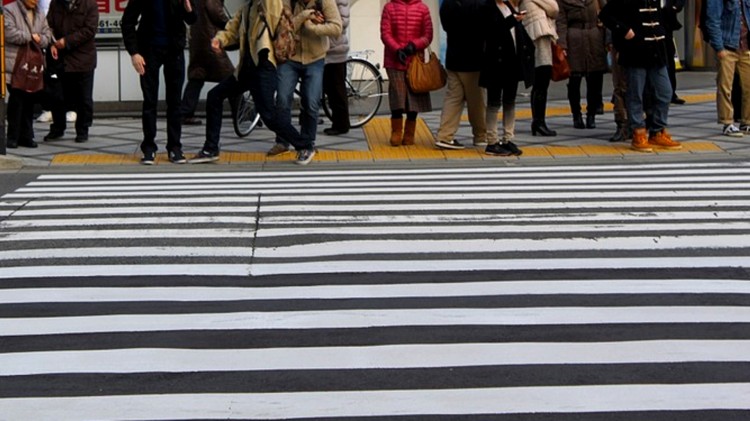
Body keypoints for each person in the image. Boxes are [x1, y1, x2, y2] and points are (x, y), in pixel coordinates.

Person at [189, 0, 318, 165]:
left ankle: (305, 145)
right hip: (246, 69)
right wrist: (220, 40)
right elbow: (231, 29)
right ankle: (211, 148)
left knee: (269, 115)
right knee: (214, 96)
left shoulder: (269, 3)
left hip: (264, 67)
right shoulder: (246, 9)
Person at [599, 0, 682, 152]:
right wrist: (625, 31)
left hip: (657, 50)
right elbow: (606, 15)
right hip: (636, 50)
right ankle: (638, 131)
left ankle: (657, 130)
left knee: (665, 92)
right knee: (635, 93)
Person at [121, 0, 197, 165]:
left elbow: (192, 19)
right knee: (150, 101)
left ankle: (175, 147)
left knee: (175, 102)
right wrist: (134, 53)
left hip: (174, 50)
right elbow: (127, 21)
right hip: (148, 51)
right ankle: (149, 147)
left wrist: (189, 9)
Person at [266, 0, 342, 157]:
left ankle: (308, 143)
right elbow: (283, 27)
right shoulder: (288, 2)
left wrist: (313, 28)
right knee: (282, 99)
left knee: (311, 102)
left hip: (315, 58)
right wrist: (304, 15)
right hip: (290, 58)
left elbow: (337, 27)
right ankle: (282, 141)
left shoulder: (324, 1)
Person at [480, 0, 534, 156]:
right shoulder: (487, 7)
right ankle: (492, 141)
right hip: (495, 63)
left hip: (512, 62)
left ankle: (508, 138)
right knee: (494, 102)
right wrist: (513, 20)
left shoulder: (508, 6)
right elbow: (491, 31)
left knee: (510, 101)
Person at [43, 0, 98, 143]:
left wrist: (67, 41)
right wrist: (52, 44)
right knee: (57, 96)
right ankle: (58, 128)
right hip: (60, 59)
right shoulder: (56, 3)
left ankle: (82, 130)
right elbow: (48, 26)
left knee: (83, 98)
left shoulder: (89, 4)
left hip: (83, 59)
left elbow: (89, 30)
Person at [434, 0, 487, 150]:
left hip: (453, 59)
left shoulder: (447, 4)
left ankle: (445, 135)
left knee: (453, 98)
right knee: (477, 101)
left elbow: (445, 27)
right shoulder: (478, 4)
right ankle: (481, 135)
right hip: (473, 60)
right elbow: (485, 27)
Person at [380, 0, 433, 147]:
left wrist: (413, 46)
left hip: (415, 60)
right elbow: (385, 34)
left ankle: (409, 133)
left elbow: (428, 35)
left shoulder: (423, 8)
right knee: (398, 94)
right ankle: (396, 131)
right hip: (394, 59)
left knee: (414, 96)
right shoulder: (389, 7)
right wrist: (397, 49)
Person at [3, 0, 53, 149]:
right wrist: (31, 37)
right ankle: (12, 137)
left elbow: (47, 34)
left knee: (29, 101)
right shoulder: (9, 10)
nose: (35, 1)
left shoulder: (39, 12)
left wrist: (41, 39)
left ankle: (26, 136)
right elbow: (9, 32)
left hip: (33, 66)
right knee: (17, 100)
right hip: (15, 64)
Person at [179, 0, 234, 126]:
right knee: (231, 77)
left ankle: (185, 112)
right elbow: (215, 11)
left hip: (198, 39)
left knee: (197, 75)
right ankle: (243, 112)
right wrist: (231, 26)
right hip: (211, 39)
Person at [556, 0, 607, 129]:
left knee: (595, 79)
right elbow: (561, 22)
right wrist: (562, 45)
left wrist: (607, 39)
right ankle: (576, 114)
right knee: (574, 80)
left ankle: (591, 114)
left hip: (594, 38)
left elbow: (606, 14)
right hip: (574, 40)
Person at [703, 0, 750, 137]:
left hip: (746, 47)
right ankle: (727, 122)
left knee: (748, 86)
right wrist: (719, 47)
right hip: (727, 46)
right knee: (725, 86)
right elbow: (712, 20)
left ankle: (746, 122)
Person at [521, 0, 558, 137]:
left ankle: (538, 122)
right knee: (541, 81)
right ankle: (538, 122)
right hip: (539, 39)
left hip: (537, 38)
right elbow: (554, 9)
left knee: (540, 83)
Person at [321, 0, 351, 136]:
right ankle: (338, 122)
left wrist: (323, 21)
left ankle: (341, 124)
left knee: (336, 89)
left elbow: (342, 22)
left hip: (336, 50)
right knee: (330, 88)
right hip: (328, 49)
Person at [663, 0, 685, 105]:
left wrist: (675, 7)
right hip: (651, 23)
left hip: (667, 23)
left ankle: (671, 93)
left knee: (669, 60)